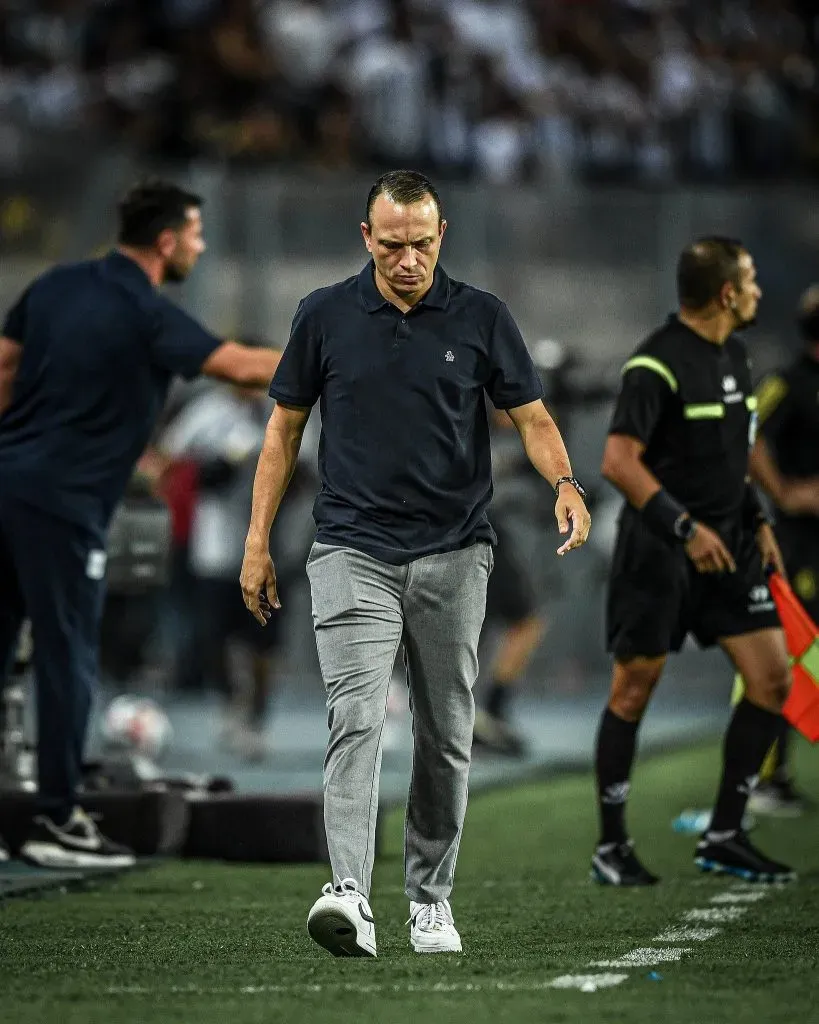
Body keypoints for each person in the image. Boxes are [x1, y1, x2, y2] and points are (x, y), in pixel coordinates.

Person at [240, 169, 590, 957]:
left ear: (442, 237)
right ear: (366, 238)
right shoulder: (323, 315)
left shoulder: (482, 317)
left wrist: (564, 482)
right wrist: (258, 540)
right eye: (392, 244)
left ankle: (429, 900)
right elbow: (281, 433)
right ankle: (349, 893)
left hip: (455, 554)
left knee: (444, 733)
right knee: (355, 716)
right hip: (349, 549)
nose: (407, 260)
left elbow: (531, 418)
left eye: (421, 244)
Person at [0, 179, 281, 868]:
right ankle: (57, 819)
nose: (200, 244)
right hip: (63, 506)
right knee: (67, 656)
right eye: (195, 233)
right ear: (166, 241)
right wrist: (346, 356)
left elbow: (4, 365)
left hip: (7, 481)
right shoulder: (147, 311)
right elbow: (239, 366)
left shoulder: (54, 286)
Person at [594, 236, 795, 886]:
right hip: (659, 551)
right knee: (632, 690)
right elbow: (617, 461)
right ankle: (611, 847)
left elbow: (732, 460)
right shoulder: (655, 363)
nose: (760, 291)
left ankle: (725, 833)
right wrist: (682, 527)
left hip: (729, 547)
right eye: (752, 280)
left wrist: (758, 519)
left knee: (771, 679)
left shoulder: (734, 355)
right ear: (726, 292)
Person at [745, 283, 819, 815]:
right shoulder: (789, 382)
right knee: (789, 649)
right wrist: (787, 493)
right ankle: (767, 775)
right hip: (799, 543)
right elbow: (750, 437)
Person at [473, 408, 547, 758]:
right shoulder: (472, 419)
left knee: (476, 628)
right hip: (477, 528)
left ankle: (473, 717)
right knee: (526, 621)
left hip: (460, 528)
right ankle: (490, 712)